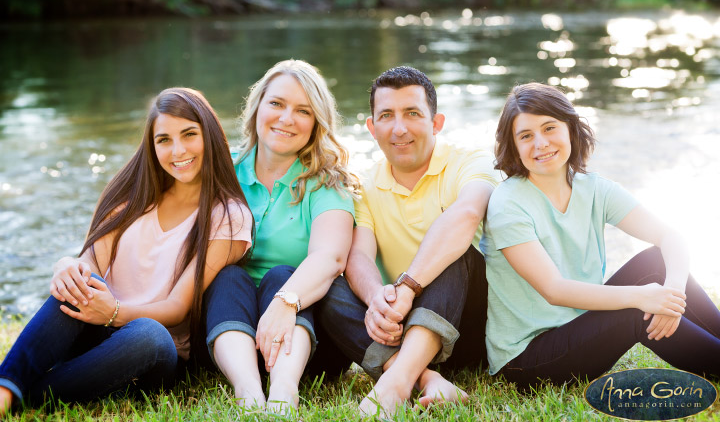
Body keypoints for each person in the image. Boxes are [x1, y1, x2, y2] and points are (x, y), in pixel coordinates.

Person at [0, 88, 253, 415]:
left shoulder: (228, 217)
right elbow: (90, 261)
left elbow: (176, 308)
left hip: (154, 350)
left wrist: (115, 312)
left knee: (149, 334)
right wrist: (66, 265)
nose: (178, 150)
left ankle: (24, 394)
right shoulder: (132, 194)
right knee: (78, 282)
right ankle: (6, 389)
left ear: (210, 135)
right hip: (93, 327)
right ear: (151, 145)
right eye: (164, 140)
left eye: (189, 134)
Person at [481, 82, 720, 390]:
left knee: (656, 261)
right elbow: (554, 290)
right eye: (526, 136)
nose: (540, 143)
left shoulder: (593, 188)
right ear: (513, 146)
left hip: (582, 331)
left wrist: (671, 294)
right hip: (527, 359)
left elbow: (670, 236)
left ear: (570, 128)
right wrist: (644, 296)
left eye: (549, 128)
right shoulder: (508, 203)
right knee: (635, 310)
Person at [317, 66, 497, 417]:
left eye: (412, 114)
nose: (399, 129)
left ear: (436, 122)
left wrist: (409, 287)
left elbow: (467, 215)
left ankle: (397, 383)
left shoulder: (469, 161)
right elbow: (358, 256)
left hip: (468, 331)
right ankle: (426, 378)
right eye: (386, 116)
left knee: (455, 252)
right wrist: (376, 301)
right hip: (399, 328)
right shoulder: (364, 186)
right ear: (371, 127)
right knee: (329, 289)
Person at [202, 60, 356, 414]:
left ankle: (284, 394)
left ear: (316, 122)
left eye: (303, 111)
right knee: (228, 275)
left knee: (282, 275)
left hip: (305, 344)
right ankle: (249, 394)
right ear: (257, 107)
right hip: (228, 336)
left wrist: (286, 302)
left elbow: (330, 257)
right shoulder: (223, 171)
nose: (287, 118)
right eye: (276, 104)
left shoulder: (327, 183)